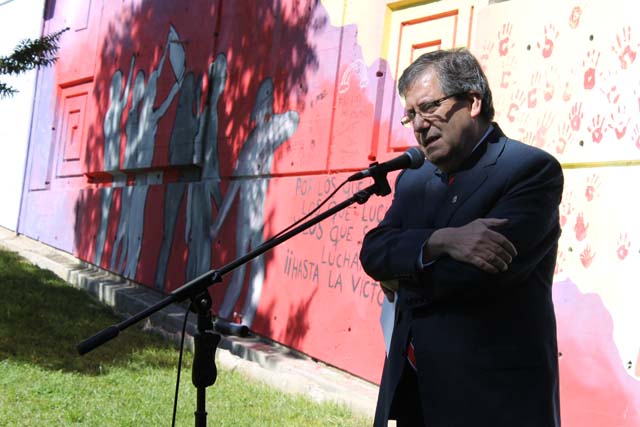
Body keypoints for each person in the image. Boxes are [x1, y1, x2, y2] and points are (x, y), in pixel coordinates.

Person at [359, 48, 563, 427]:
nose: (419, 125)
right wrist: (440, 241)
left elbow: (478, 275)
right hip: (415, 393)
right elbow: (372, 251)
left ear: (472, 102)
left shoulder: (530, 170)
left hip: (492, 400)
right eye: (411, 115)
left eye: (428, 107)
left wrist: (400, 274)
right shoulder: (414, 178)